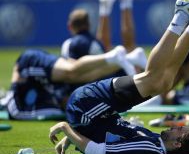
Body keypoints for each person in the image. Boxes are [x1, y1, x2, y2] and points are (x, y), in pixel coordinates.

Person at [49, 0, 189, 154]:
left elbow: (97, 151)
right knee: (163, 83)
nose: (176, 127)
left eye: (180, 130)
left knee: (155, 80)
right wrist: (77, 133)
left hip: (85, 108)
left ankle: (182, 16)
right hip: (95, 111)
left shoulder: (149, 148)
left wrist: (69, 130)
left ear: (177, 144)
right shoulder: (155, 143)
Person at [0, 46, 136, 120]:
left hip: (29, 64)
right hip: (42, 73)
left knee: (71, 71)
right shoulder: (53, 99)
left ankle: (112, 56)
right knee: (86, 75)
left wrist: (16, 78)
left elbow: (15, 112)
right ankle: (130, 58)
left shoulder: (16, 103)